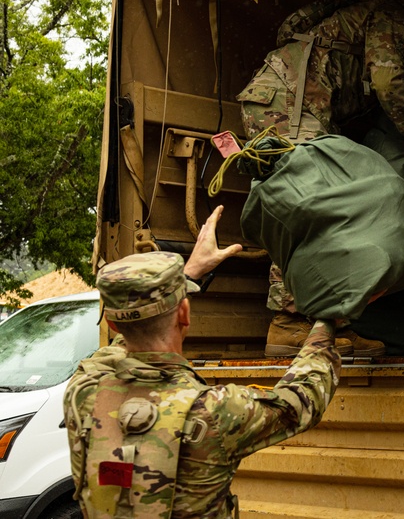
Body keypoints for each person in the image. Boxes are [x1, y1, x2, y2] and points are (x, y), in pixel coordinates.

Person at [237, 0, 404, 358]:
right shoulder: (397, 17)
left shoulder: (373, 12)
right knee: (309, 202)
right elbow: (388, 80)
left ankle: (331, 324)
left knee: (326, 204)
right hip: (288, 104)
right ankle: (289, 323)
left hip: (286, 99)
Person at [64, 205, 340, 518]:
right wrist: (327, 319)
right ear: (184, 313)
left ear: (112, 324)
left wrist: (187, 275)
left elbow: (120, 345)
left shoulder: (82, 393)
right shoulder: (215, 411)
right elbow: (302, 400)